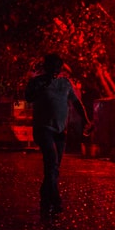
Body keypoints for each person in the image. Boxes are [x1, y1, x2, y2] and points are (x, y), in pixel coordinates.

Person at [25, 54, 92, 217]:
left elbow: (76, 103)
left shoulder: (65, 84)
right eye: (52, 65)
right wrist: (39, 86)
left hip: (61, 131)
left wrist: (87, 120)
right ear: (46, 66)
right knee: (52, 163)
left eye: (57, 66)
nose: (54, 69)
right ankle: (55, 201)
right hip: (43, 129)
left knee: (53, 168)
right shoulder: (37, 82)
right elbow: (28, 97)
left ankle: (45, 197)